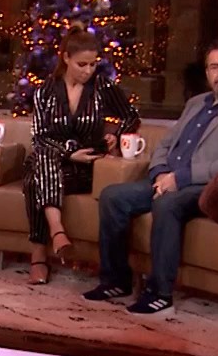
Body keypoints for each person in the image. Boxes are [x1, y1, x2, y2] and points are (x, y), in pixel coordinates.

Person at [85, 40, 218, 316]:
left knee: (167, 203)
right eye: (214, 67)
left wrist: (180, 178)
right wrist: (160, 172)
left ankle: (160, 294)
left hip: (209, 186)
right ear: (207, 72)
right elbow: (165, 145)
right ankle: (116, 281)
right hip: (168, 179)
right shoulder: (196, 104)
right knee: (113, 196)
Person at [22, 31, 140, 285]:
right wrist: (68, 153)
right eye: (82, 64)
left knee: (34, 179)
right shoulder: (45, 91)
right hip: (54, 160)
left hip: (85, 168)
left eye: (93, 64)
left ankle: (39, 256)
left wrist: (116, 135)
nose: (88, 71)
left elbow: (131, 116)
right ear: (66, 58)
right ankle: (56, 231)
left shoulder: (102, 87)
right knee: (43, 159)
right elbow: (40, 137)